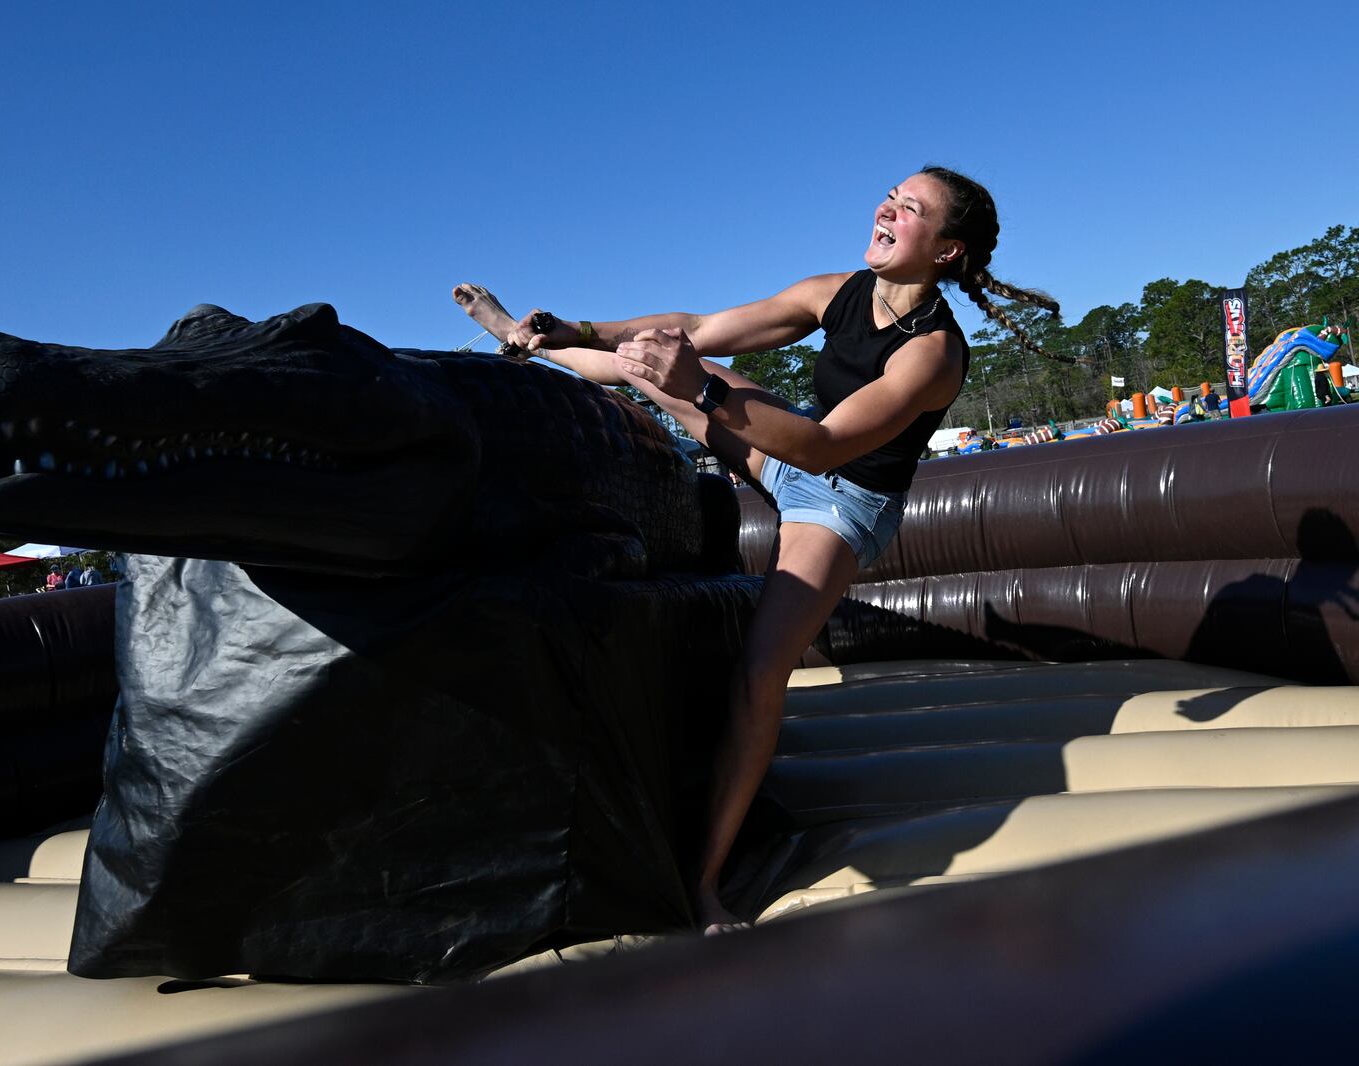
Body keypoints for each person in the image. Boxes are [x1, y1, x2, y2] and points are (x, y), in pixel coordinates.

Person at [453, 166, 1058, 933]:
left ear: (945, 250)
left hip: (844, 501)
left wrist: (703, 393)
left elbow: (824, 445)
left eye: (911, 209)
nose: (887, 208)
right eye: (891, 195)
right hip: (787, 443)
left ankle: (705, 884)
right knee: (657, 366)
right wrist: (585, 332)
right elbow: (698, 330)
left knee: (759, 673)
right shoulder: (833, 290)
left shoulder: (933, 353)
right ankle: (526, 340)